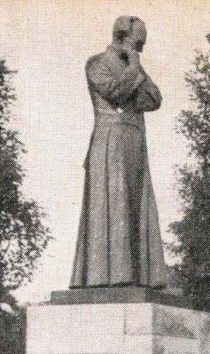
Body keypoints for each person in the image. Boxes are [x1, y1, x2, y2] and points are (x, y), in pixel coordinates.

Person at [70, 16, 168, 288]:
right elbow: (115, 91)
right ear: (121, 37)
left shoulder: (133, 67)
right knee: (110, 206)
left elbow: (154, 99)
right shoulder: (97, 64)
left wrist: (133, 75)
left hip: (135, 143)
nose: (141, 49)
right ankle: (105, 278)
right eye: (139, 43)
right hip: (110, 142)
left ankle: (137, 277)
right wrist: (134, 72)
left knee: (136, 208)